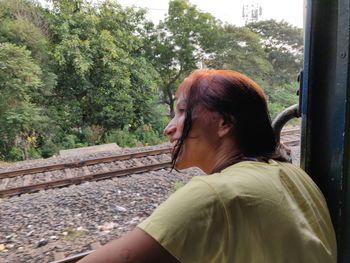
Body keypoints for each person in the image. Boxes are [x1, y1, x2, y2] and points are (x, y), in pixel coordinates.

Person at [78, 69, 337, 263]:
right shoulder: (294, 176)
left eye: (181, 112)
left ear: (224, 123)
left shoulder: (216, 196)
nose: (168, 128)